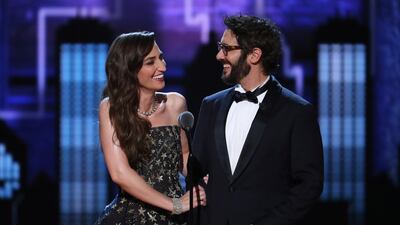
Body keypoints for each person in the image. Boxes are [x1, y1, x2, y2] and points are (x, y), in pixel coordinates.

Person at [191, 15, 324, 225]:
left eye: (227, 48)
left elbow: (308, 186)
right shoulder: (211, 105)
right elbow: (196, 171)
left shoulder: (297, 112)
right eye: (220, 47)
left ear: (254, 55)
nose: (218, 55)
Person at [94, 31, 206, 225]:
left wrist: (207, 179)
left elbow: (185, 157)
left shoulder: (176, 103)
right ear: (129, 68)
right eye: (150, 62)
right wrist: (174, 204)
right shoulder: (111, 108)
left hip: (178, 217)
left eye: (161, 57)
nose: (162, 66)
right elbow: (119, 173)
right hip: (132, 216)